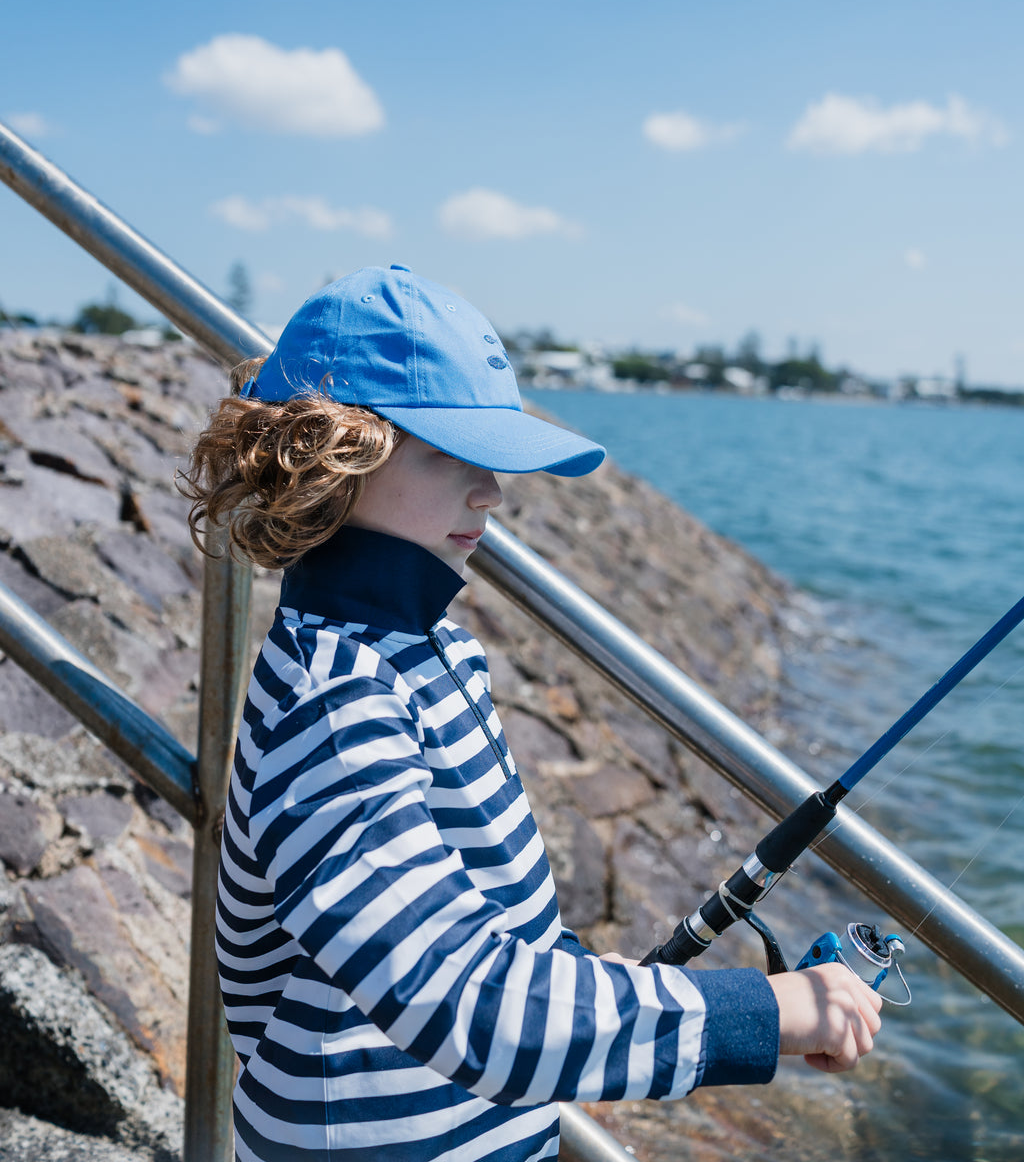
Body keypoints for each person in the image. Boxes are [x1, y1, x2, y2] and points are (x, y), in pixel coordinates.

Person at [183, 263, 881, 1162]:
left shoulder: (425, 651)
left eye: (496, 463)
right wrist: (765, 1013)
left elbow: (483, 939)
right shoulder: (334, 697)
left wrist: (602, 998)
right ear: (334, 457)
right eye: (453, 457)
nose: (493, 494)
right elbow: (461, 998)